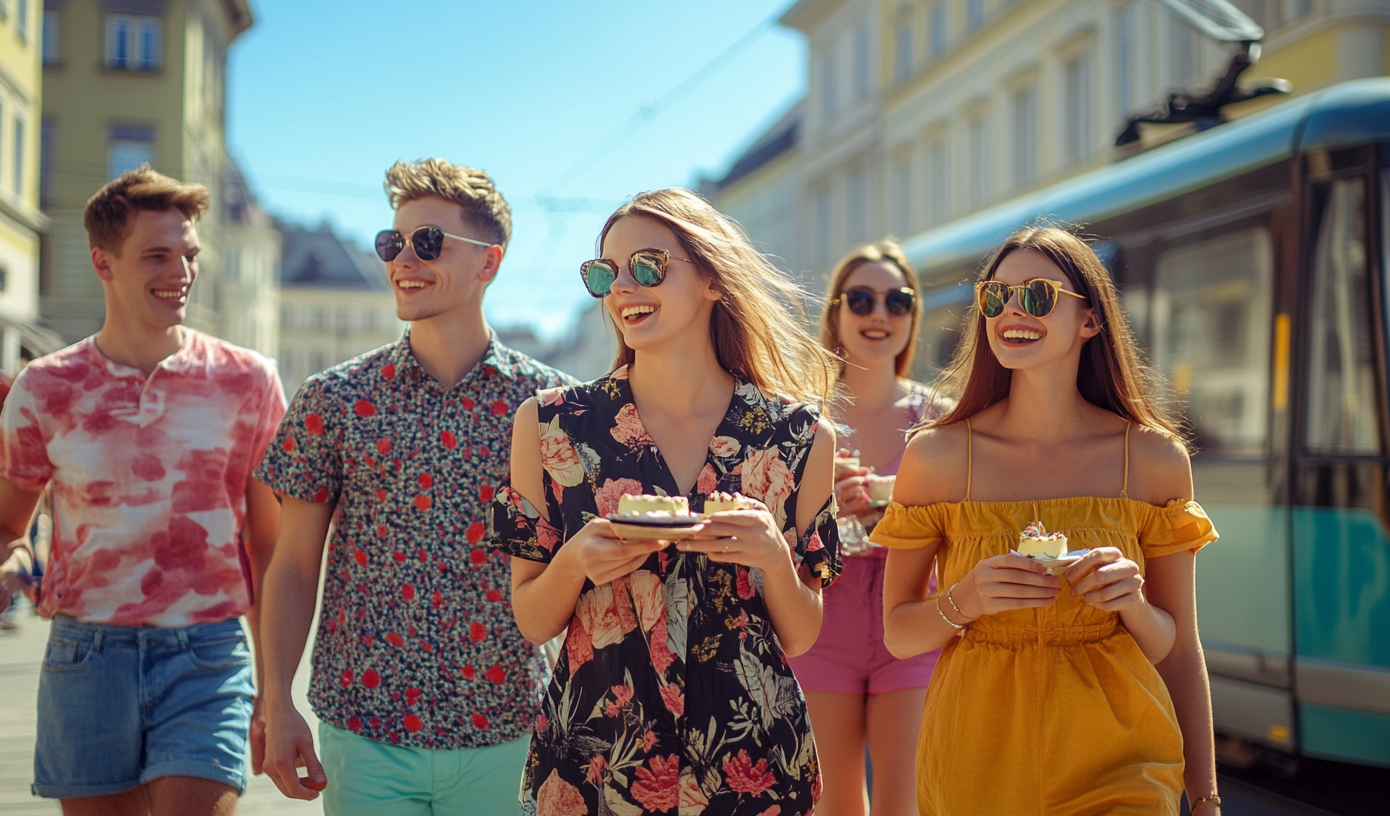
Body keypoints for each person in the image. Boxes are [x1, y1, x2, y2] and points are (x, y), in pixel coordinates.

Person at [492, 188, 842, 815]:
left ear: (712, 278)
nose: (623, 287)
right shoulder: (550, 426)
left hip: (752, 765)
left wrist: (771, 558)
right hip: (598, 764)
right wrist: (574, 564)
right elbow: (531, 619)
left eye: (648, 265)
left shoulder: (798, 437)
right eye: (606, 272)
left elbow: (802, 632)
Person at [0, 166, 285, 814]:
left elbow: (268, 548)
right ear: (103, 262)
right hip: (87, 657)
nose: (182, 272)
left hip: (209, 653)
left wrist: (276, 690)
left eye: (189, 254)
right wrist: (0, 570)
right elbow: (4, 530)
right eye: (158, 255)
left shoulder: (248, 381)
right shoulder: (45, 387)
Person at [256, 158, 574, 814]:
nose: (404, 258)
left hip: (510, 729)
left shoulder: (553, 408)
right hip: (365, 730)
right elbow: (291, 566)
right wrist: (276, 699)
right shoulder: (333, 399)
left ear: (489, 262)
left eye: (429, 242)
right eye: (392, 242)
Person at [876, 227, 1220, 815]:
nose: (1012, 309)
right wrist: (966, 599)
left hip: (1122, 753)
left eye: (1037, 294)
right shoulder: (936, 456)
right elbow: (899, 632)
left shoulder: (1155, 459)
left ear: (1090, 319)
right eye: (996, 295)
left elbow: (1179, 649)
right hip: (976, 756)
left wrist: (1206, 799)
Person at [792, 242, 938, 816]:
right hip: (824, 627)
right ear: (836, 314)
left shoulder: (941, 419)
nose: (879, 313)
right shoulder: (802, 418)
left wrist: (898, 518)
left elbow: (963, 533)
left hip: (915, 625)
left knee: (906, 805)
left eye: (897, 301)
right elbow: (772, 533)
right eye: (861, 299)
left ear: (911, 317)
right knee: (835, 807)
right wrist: (829, 513)